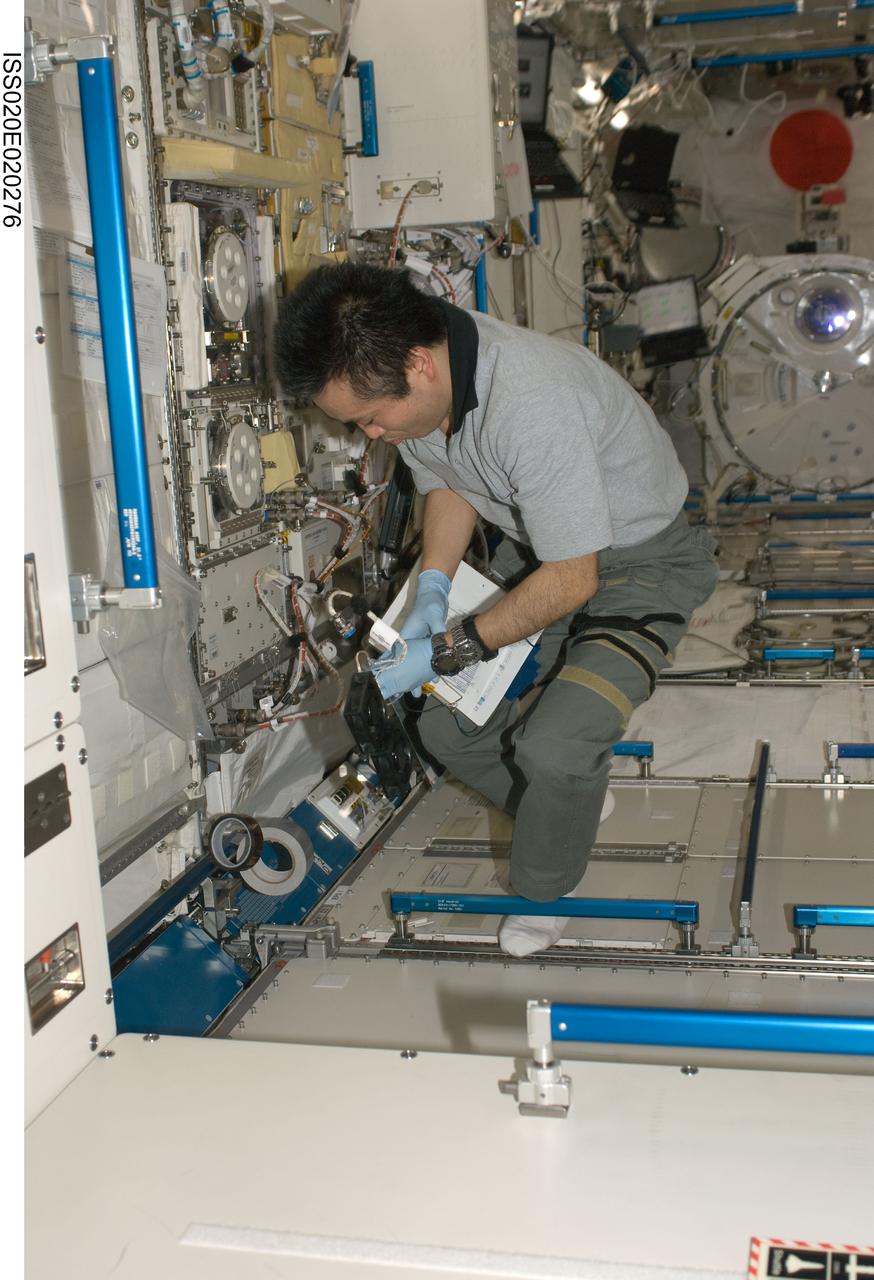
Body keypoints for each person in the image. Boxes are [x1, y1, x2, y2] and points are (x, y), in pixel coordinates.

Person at [274, 261, 718, 956]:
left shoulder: (531, 400)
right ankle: (569, 806)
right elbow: (446, 483)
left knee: (555, 745)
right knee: (448, 731)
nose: (371, 434)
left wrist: (450, 647)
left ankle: (547, 889)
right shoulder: (434, 374)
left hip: (638, 565)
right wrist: (433, 586)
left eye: (369, 417)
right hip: (546, 551)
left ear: (417, 365)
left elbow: (572, 581)